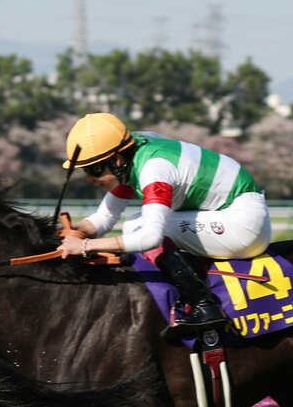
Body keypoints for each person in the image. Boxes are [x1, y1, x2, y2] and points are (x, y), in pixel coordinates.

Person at [56, 112, 270, 338]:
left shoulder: (154, 168)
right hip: (227, 212)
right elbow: (103, 219)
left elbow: (150, 237)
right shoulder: (131, 152)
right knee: (136, 224)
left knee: (136, 226)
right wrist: (70, 233)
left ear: (117, 160)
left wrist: (86, 247)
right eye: (85, 170)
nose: (89, 178)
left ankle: (205, 305)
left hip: (243, 223)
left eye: (94, 169)